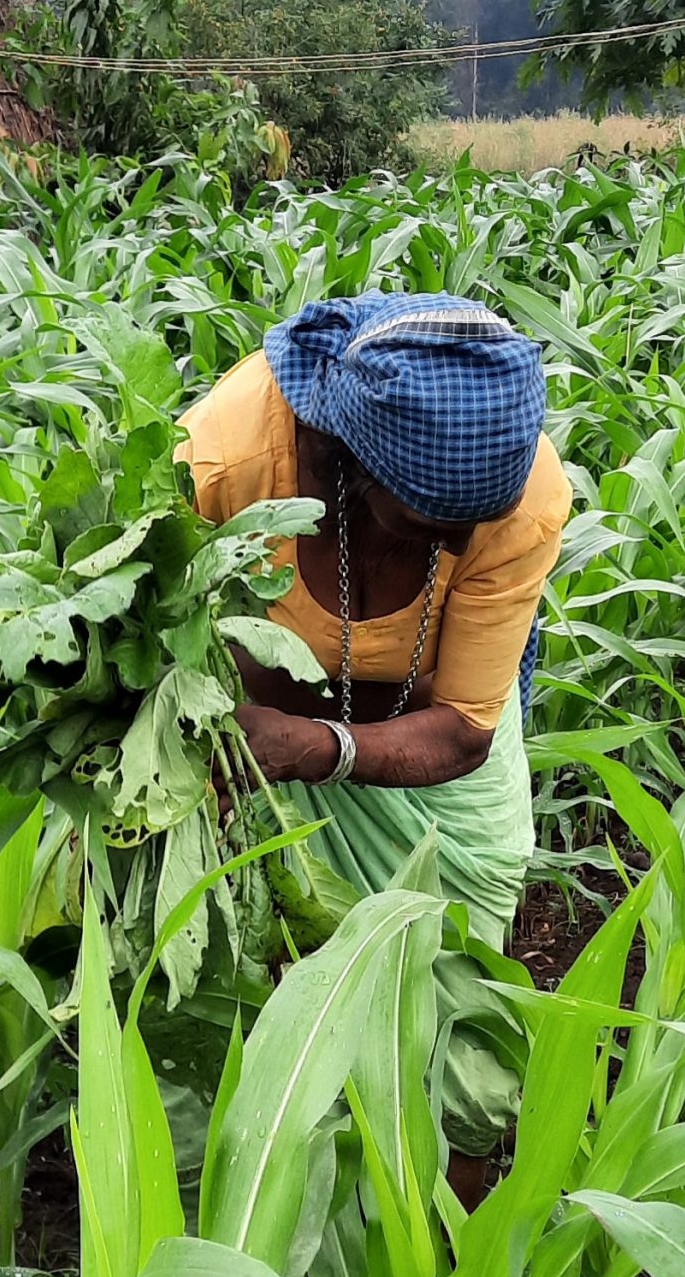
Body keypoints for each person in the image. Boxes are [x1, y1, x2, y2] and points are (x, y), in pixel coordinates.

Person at [175, 291, 568, 941]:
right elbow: (147, 632)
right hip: (257, 753)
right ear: (348, 464)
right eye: (428, 523)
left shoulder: (528, 495)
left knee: (452, 960)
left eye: (480, 524)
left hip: (428, 749)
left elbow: (465, 731)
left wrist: (317, 749)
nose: (463, 550)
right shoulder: (223, 461)